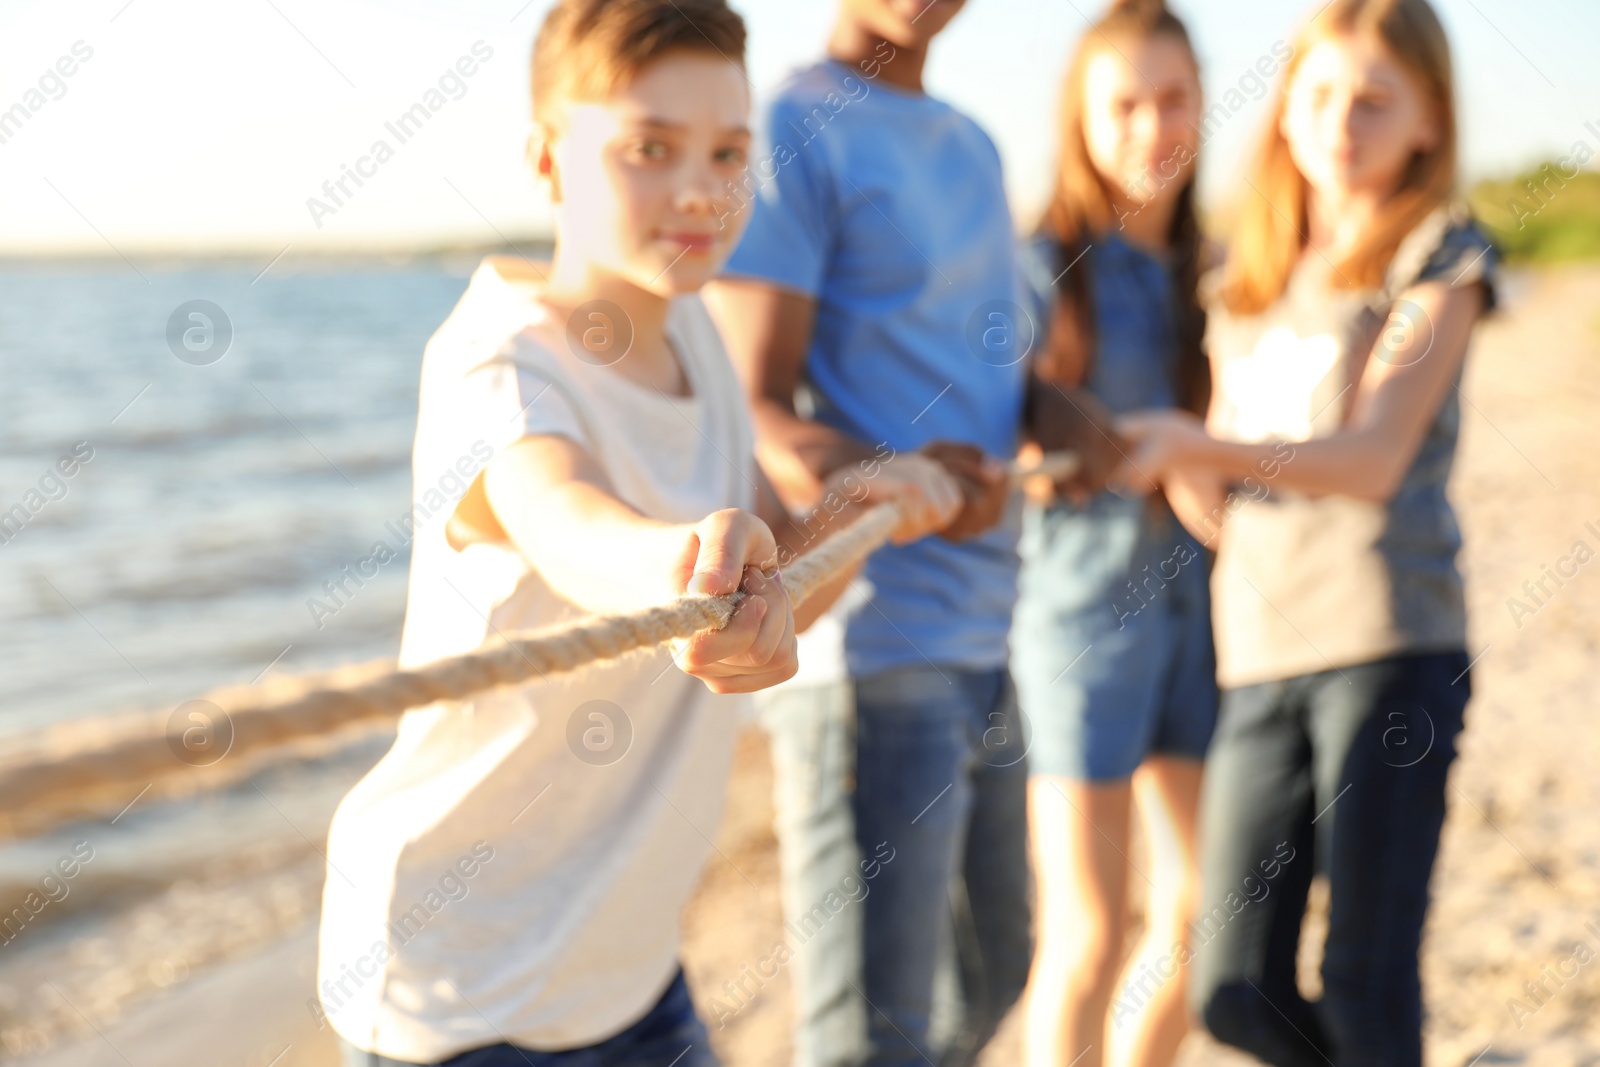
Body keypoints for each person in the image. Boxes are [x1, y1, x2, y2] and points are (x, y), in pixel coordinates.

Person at [314, 3, 949, 1064]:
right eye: (648, 150)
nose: (701, 189)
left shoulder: (694, 326)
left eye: (729, 152)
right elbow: (569, 521)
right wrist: (684, 563)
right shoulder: (500, 365)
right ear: (547, 158)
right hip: (464, 992)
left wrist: (861, 510)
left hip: (632, 970)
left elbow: (769, 588)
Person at [705, 2, 1121, 1063]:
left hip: (989, 627)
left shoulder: (974, 142)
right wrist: (900, 474)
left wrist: (1045, 406)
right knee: (867, 1039)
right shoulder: (792, 129)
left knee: (998, 973)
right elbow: (751, 405)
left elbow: (976, 360)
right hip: (869, 650)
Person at [1114, 1, 1498, 1063]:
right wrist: (1190, 461)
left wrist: (1194, 442)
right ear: (1282, 114)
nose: (1342, 121)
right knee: (1228, 985)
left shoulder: (1440, 253)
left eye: (1375, 100)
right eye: (1319, 95)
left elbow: (1372, 459)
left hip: (1388, 646)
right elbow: (1220, 494)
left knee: (1365, 982)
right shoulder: (1244, 274)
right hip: (1258, 654)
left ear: (1428, 120)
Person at [1008, 3, 1216, 1066]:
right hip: (1080, 629)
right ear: (1079, 119)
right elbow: (976, 436)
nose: (1150, 126)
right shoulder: (1036, 267)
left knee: (1203, 913)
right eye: (1122, 103)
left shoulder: (1219, 267)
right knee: (1086, 936)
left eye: (1173, 98)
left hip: (1208, 623)